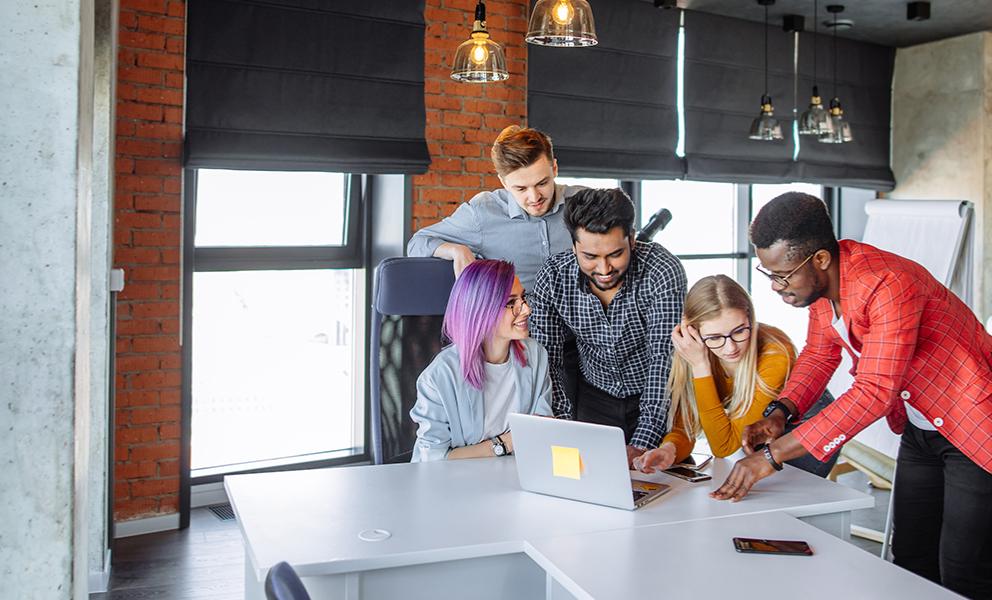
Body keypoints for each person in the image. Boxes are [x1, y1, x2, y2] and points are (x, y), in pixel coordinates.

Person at [711, 192, 992, 598]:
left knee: (965, 570)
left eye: (783, 275)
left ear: (820, 260)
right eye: (768, 273)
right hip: (920, 430)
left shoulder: (889, 284)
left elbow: (875, 391)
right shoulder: (826, 292)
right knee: (911, 558)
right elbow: (819, 354)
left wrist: (772, 457)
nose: (775, 286)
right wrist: (780, 411)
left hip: (972, 426)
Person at [529, 188, 686, 466]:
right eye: (590, 256)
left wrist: (643, 441)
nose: (603, 269)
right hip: (593, 397)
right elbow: (547, 360)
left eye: (615, 254)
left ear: (633, 240)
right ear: (574, 245)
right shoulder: (553, 276)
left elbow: (663, 359)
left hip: (656, 397)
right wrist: (563, 430)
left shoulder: (662, 270)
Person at [632, 275, 836, 477]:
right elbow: (687, 422)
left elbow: (724, 447)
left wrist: (701, 366)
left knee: (791, 497)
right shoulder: (693, 349)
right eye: (714, 337)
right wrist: (670, 449)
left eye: (739, 331)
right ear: (693, 332)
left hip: (807, 422)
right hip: (760, 427)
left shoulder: (775, 353)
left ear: (750, 319)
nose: (730, 348)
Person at [406, 126, 584, 290]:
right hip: (518, 322)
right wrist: (456, 250)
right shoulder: (482, 213)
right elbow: (417, 243)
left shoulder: (586, 204)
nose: (534, 197)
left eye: (542, 183)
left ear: (554, 168)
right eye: (521, 189)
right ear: (504, 182)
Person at [409, 260, 553, 462]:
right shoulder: (438, 378)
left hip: (515, 478)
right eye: (512, 303)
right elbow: (433, 459)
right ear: (482, 311)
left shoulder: (536, 356)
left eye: (523, 298)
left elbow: (542, 433)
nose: (526, 310)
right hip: (454, 484)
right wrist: (505, 443)